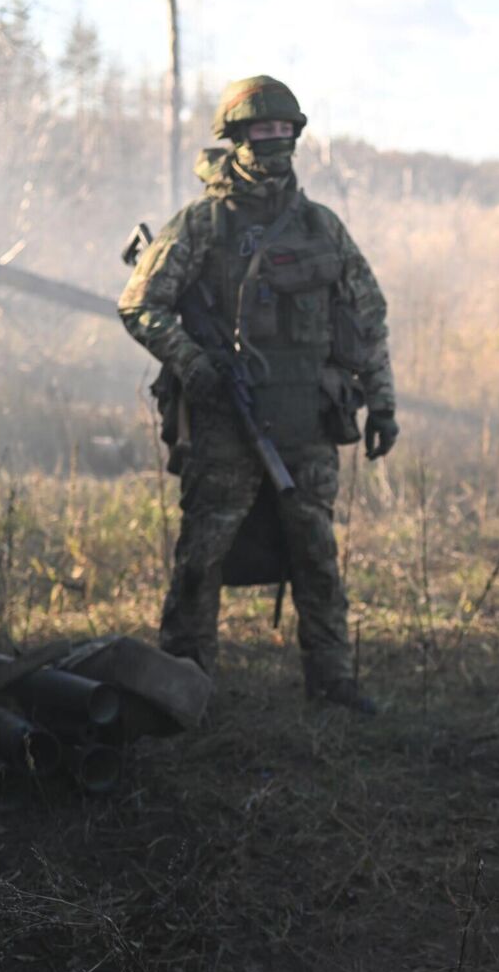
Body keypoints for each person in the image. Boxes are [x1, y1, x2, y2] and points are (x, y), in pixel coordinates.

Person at [118, 75, 395, 715]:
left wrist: (382, 404)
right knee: (202, 557)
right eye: (261, 131)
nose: (273, 141)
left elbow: (368, 319)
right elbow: (140, 304)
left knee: (317, 555)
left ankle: (332, 681)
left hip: (308, 424)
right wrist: (194, 364)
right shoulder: (203, 223)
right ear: (236, 138)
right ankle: (183, 684)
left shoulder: (321, 227)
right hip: (224, 423)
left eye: (283, 130)